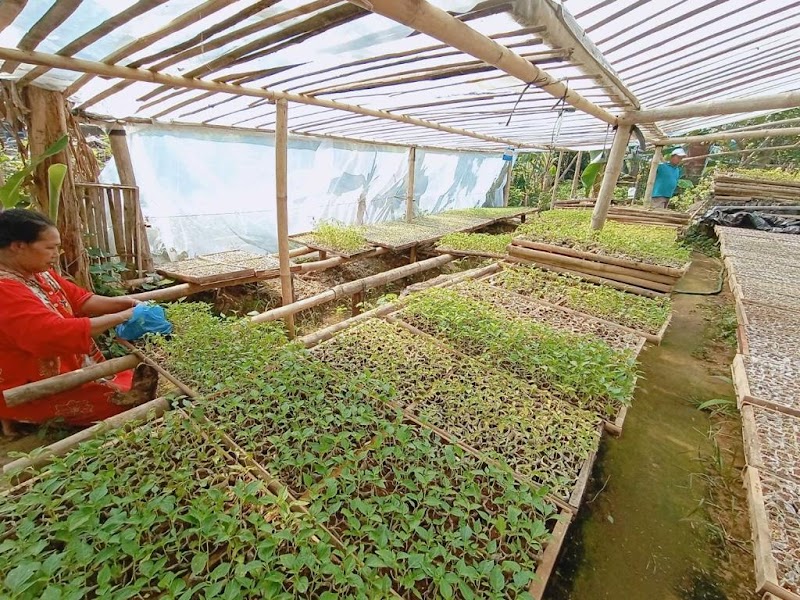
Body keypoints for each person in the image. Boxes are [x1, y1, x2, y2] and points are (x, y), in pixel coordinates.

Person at [0, 209, 157, 430]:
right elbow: (52, 333)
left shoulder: (37, 273)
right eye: (50, 248)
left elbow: (82, 300)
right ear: (18, 246)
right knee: (129, 399)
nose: (57, 254)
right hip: (32, 387)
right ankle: (23, 420)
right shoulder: (5, 290)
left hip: (71, 371)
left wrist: (130, 304)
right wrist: (124, 316)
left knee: (131, 381)